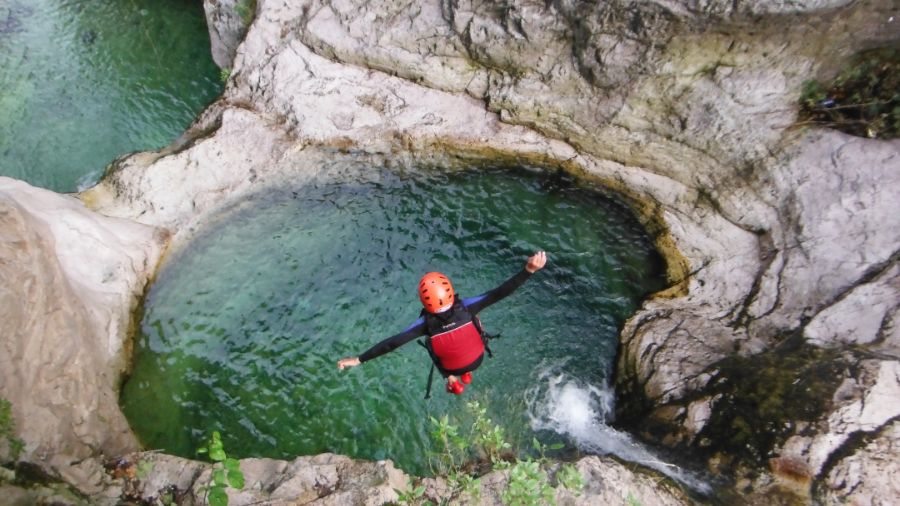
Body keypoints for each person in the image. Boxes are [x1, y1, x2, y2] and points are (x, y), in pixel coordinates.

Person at [337, 251, 547, 395]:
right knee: (472, 324)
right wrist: (528, 270)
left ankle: (451, 380)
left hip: (452, 365)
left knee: (432, 343)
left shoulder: (423, 324)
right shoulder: (467, 307)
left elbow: (391, 343)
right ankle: (465, 374)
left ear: (423, 300)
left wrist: (359, 359)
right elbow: (501, 292)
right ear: (449, 290)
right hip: (478, 358)